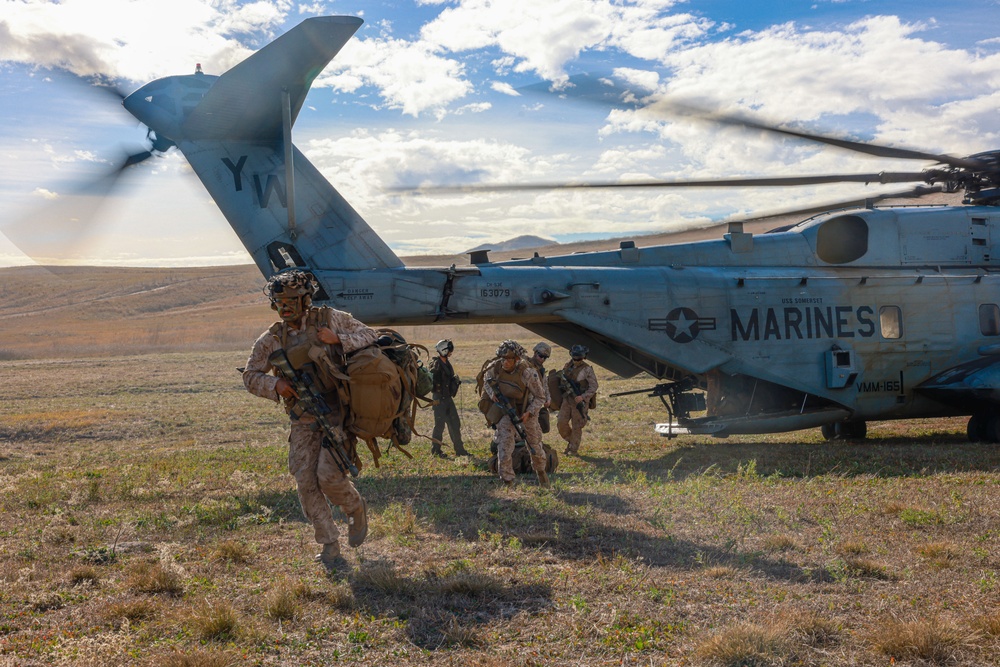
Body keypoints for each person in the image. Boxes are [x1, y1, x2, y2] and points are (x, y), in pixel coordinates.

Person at [242, 270, 375, 570]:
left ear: (305, 299)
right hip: (302, 416)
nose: (284, 308)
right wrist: (275, 385)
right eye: (278, 303)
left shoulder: (330, 319)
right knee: (305, 481)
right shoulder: (272, 338)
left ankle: (355, 507)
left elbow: (370, 335)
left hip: (335, 411)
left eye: (290, 301)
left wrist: (338, 339)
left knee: (328, 477)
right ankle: (329, 543)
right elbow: (250, 375)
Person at [482, 340, 549, 488]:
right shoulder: (494, 368)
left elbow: (540, 397)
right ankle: (507, 481)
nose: (505, 362)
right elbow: (486, 381)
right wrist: (492, 393)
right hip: (505, 412)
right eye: (502, 359)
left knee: (534, 447)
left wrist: (529, 413)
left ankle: (541, 474)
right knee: (504, 447)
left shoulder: (527, 372)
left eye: (509, 360)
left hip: (526, 412)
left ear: (517, 359)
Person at [429, 339, 469, 457]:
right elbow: (434, 380)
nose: (451, 353)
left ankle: (460, 450)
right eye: (450, 351)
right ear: (444, 350)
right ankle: (435, 450)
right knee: (439, 425)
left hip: (447, 398)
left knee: (455, 423)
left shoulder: (446, 362)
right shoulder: (436, 365)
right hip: (439, 399)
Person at [557, 344, 599, 456]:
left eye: (578, 358)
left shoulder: (587, 369)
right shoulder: (568, 365)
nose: (576, 360)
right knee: (561, 422)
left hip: (580, 401)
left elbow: (594, 386)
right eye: (574, 358)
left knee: (577, 426)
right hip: (567, 399)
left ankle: (573, 449)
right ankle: (570, 441)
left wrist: (583, 397)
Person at [527, 342, 552, 435]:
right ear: (535, 353)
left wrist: (548, 399)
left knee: (535, 431)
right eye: (541, 356)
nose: (542, 359)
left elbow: (544, 386)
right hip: (522, 402)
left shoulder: (541, 370)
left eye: (545, 357)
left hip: (534, 404)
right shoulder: (525, 365)